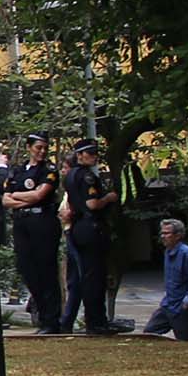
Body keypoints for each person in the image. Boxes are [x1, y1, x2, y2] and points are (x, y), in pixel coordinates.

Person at [59, 142, 118, 335]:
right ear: (80, 155)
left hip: (78, 227)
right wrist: (108, 198)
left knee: (86, 276)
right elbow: (92, 204)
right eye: (90, 153)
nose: (94, 157)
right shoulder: (87, 176)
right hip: (90, 227)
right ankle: (96, 322)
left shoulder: (69, 176)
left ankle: (94, 320)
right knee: (94, 277)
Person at [6, 136, 64, 331]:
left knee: (46, 270)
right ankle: (41, 310)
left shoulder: (48, 169)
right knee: (26, 268)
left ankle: (51, 320)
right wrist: (23, 199)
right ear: (29, 147)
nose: (42, 151)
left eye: (45, 148)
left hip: (43, 221)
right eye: (38, 147)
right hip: (22, 222)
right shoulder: (18, 171)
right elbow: (5, 199)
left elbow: (40, 194)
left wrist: (16, 195)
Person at [140, 220, 188, 342]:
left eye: (167, 233)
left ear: (178, 235)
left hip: (183, 307)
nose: (163, 236)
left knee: (186, 342)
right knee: (149, 332)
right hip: (169, 304)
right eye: (162, 233)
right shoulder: (168, 252)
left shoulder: (187, 253)